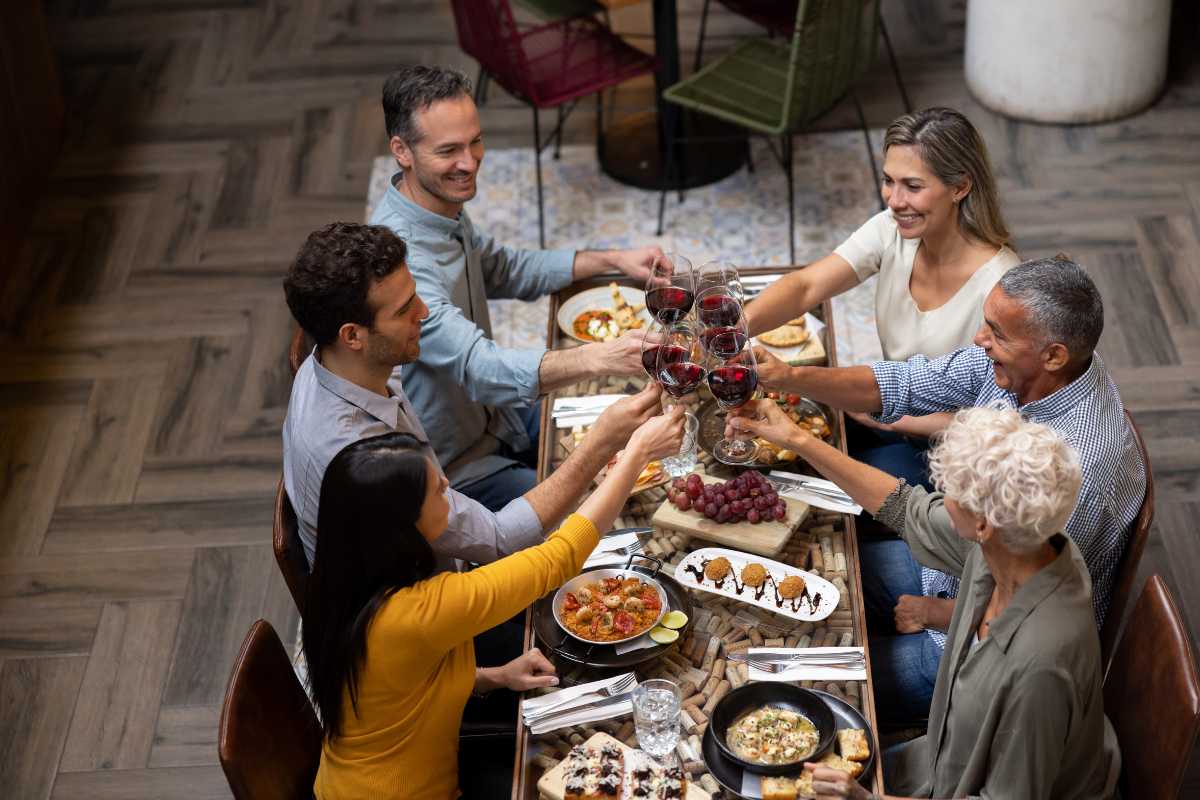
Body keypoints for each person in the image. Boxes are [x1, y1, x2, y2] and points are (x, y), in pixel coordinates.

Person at [737, 256, 1145, 722]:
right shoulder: (1033, 365)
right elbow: (905, 387)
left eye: (996, 334)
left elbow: (1033, 606)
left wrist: (937, 612)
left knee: (809, 691)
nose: (979, 339)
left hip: (981, 646)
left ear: (1054, 355)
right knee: (819, 580)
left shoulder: (1081, 469)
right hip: (960, 569)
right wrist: (788, 378)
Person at [303, 410, 686, 799]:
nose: (447, 483)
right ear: (402, 525)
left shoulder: (343, 584)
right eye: (436, 490)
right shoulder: (417, 612)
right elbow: (558, 558)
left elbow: (399, 685)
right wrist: (636, 454)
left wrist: (493, 676)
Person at [746, 407, 1118, 800]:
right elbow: (905, 507)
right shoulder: (1020, 542)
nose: (942, 497)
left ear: (983, 524)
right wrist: (797, 439)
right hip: (943, 757)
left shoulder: (1040, 665)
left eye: (950, 492)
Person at [282, 221, 663, 572]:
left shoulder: (337, 362)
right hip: (432, 596)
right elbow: (498, 540)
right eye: (404, 310)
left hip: (450, 495)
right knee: (624, 542)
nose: (424, 311)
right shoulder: (365, 458)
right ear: (352, 336)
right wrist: (601, 442)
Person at [370, 64, 667, 511]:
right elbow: (479, 368)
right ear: (402, 151)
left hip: (501, 419)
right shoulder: (402, 259)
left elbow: (502, 267)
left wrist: (613, 260)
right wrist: (598, 356)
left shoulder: (436, 203)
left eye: (474, 141)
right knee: (606, 507)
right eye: (449, 150)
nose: (470, 162)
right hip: (461, 468)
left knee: (640, 441)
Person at [744, 107, 1019, 488]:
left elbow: (999, 423)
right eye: (889, 181)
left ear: (960, 187)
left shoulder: (1002, 286)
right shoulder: (894, 229)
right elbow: (806, 286)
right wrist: (735, 329)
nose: (894, 200)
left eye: (913, 186)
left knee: (811, 476)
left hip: (955, 458)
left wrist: (887, 415)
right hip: (889, 411)